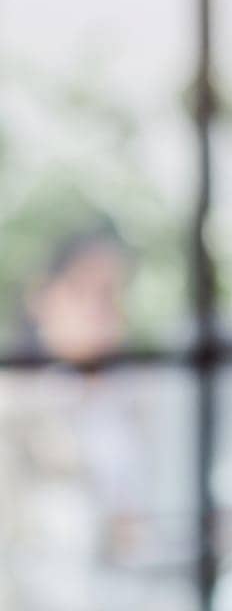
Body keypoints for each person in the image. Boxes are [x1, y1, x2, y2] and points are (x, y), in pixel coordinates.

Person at [0, 228, 164, 610]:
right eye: (80, 292)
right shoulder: (14, 404)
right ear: (42, 297)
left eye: (109, 295)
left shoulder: (137, 399)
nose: (96, 311)